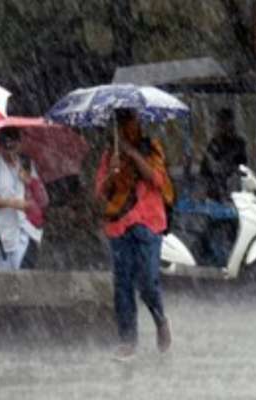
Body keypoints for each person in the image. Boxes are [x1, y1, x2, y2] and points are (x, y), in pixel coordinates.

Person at [94, 108, 172, 361]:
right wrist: (111, 173)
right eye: (120, 122)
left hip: (149, 223)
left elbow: (157, 180)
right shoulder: (109, 154)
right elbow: (100, 192)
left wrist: (132, 154)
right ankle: (127, 340)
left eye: (129, 120)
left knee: (148, 280)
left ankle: (160, 319)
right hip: (119, 224)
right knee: (123, 284)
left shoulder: (152, 147)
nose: (126, 126)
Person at [0, 127, 49, 270]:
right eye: (6, 147)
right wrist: (11, 203)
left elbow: (44, 200)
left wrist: (30, 181)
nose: (10, 152)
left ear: (20, 144)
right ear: (0, 146)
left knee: (25, 278)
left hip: (26, 230)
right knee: (2, 282)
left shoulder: (27, 163)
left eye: (14, 147)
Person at [200, 108, 248, 201]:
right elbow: (205, 171)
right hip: (215, 194)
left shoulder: (238, 144)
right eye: (220, 123)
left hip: (233, 193)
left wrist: (229, 169)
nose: (221, 126)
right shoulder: (214, 144)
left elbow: (241, 168)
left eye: (225, 122)